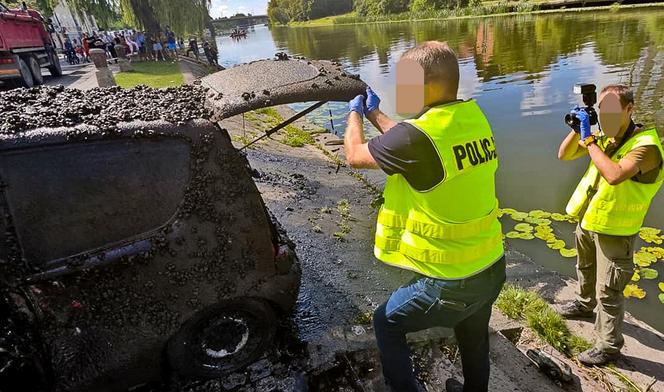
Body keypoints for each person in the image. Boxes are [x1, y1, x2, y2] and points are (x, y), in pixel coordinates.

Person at [344, 41, 505, 392]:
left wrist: (354, 115)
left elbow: (355, 155)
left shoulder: (418, 137)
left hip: (451, 281)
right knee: (473, 333)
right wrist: (376, 114)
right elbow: (412, 143)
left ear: (425, 82)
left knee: (386, 322)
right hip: (491, 266)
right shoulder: (470, 119)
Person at [557, 84, 663, 366]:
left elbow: (615, 175)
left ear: (630, 109)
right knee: (585, 268)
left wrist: (590, 141)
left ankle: (608, 345)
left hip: (617, 231)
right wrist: (578, 128)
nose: (607, 116)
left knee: (609, 290)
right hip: (590, 221)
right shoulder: (604, 136)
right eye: (603, 110)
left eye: (614, 110)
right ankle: (582, 304)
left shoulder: (646, 148)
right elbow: (564, 154)